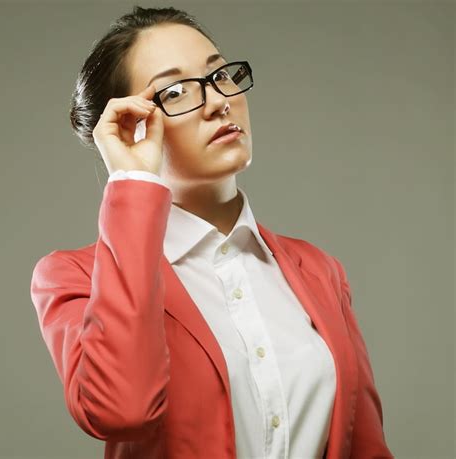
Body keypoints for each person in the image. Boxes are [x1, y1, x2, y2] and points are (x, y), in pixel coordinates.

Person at [30, 6, 393, 459]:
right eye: (177, 91)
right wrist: (133, 182)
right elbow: (121, 411)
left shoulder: (319, 271)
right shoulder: (74, 276)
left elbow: (366, 448)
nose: (220, 100)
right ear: (128, 125)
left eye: (220, 75)